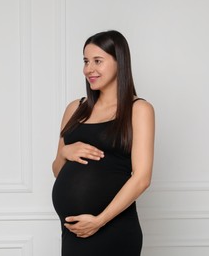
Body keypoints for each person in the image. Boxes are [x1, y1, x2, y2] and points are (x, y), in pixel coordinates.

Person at [51, 30, 155, 256]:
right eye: (86, 61)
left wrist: (99, 220)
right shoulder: (74, 109)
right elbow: (58, 171)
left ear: (120, 62)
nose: (89, 69)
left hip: (113, 229)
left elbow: (142, 178)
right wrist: (64, 153)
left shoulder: (139, 110)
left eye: (98, 61)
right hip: (73, 232)